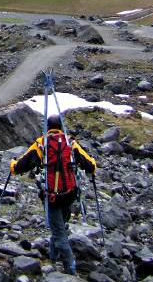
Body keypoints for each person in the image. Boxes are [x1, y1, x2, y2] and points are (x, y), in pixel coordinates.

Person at [10, 114, 97, 275]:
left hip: (52, 196)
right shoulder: (71, 143)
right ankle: (53, 256)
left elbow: (20, 166)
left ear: (48, 127)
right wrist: (92, 165)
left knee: (59, 232)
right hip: (69, 193)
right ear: (61, 126)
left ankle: (70, 268)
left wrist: (13, 165)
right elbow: (90, 164)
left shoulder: (41, 144)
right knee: (61, 225)